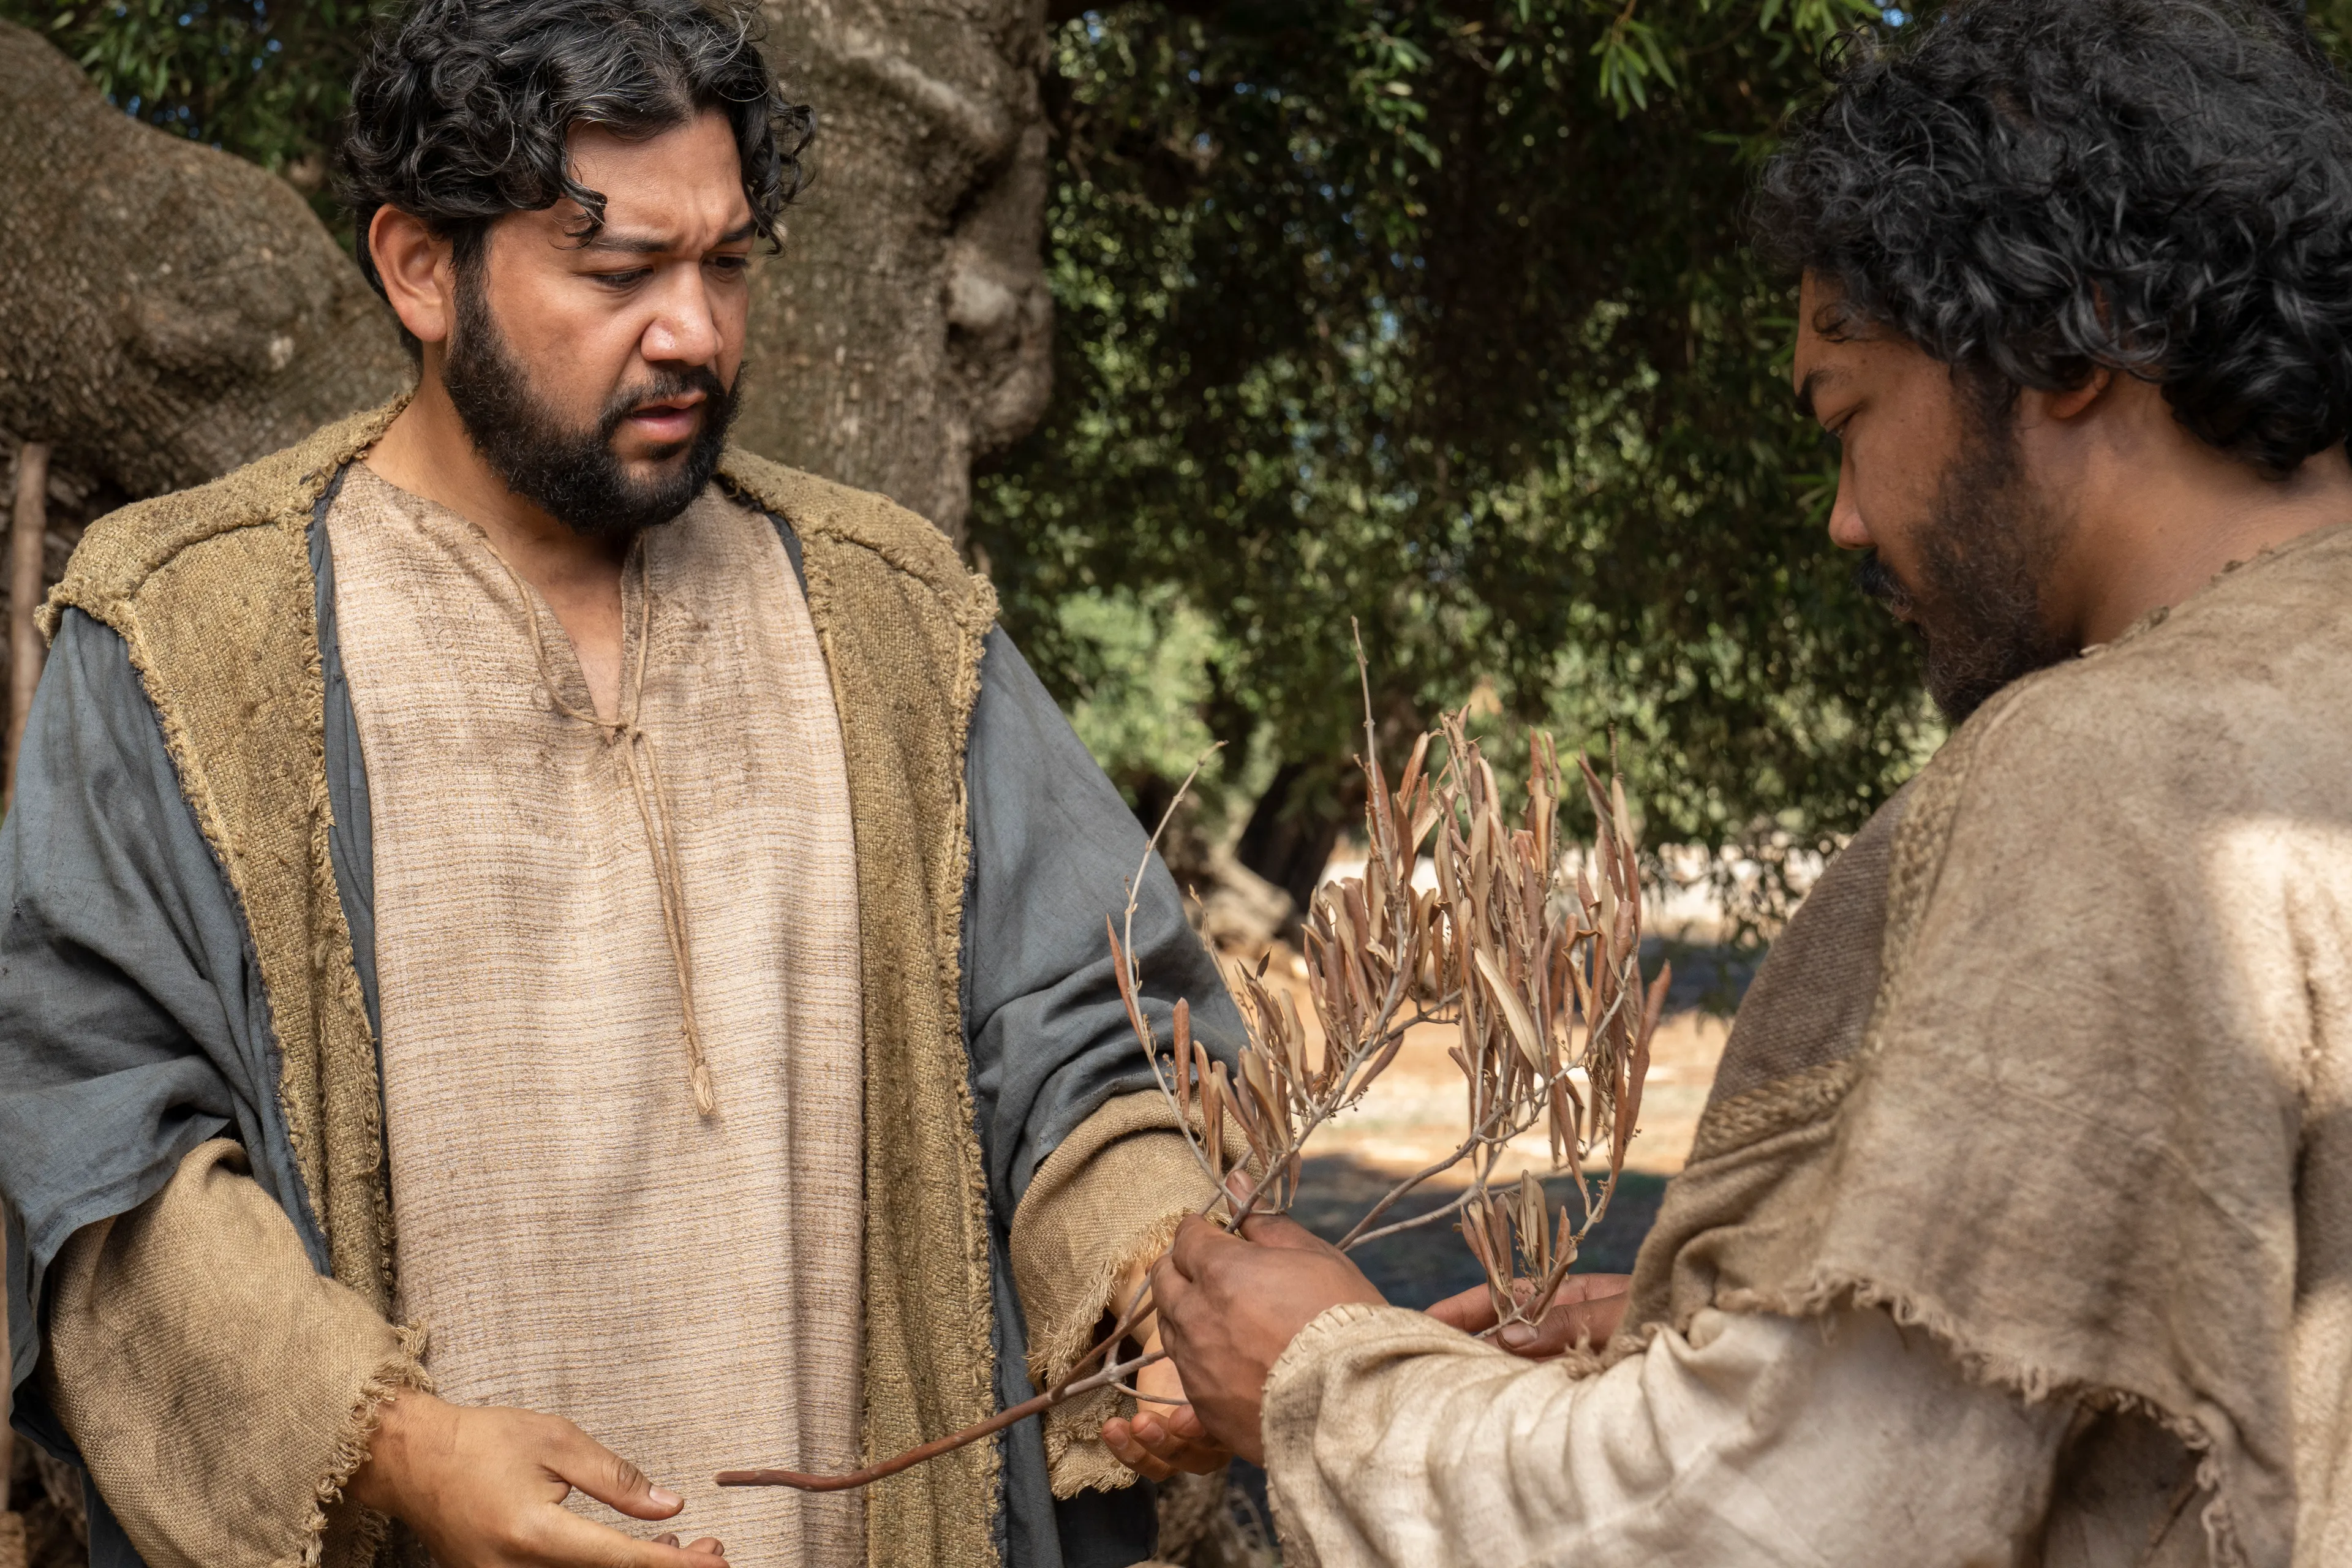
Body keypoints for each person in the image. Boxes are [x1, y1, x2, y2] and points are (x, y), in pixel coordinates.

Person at [0, 2, 1239, 1566]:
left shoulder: (897, 619)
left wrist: (1157, 1281)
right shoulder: (187, 637)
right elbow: (95, 1149)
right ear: (418, 268)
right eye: (618, 272)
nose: (696, 332)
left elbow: (1099, 1038)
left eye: (723, 264)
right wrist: (407, 1447)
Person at [1118, 2, 2352, 1562]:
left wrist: (1326, 1375)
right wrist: (1740, 1305)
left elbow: (1777, 1515)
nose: (1846, 521)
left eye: (1851, 416)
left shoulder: (2112, 772)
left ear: (2069, 338)